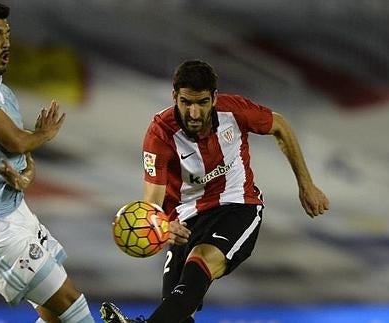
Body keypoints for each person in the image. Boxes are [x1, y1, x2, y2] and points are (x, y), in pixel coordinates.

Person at [100, 60, 330, 323]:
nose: (194, 113)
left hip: (238, 206)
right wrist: (162, 225)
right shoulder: (160, 134)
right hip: (186, 219)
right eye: (186, 102)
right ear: (174, 97)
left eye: (202, 102)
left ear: (214, 99)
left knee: (199, 265)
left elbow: (280, 126)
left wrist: (306, 184)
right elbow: (152, 202)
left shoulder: (236, 111)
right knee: (176, 309)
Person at [0, 2, 95, 322]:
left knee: (54, 314)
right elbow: (16, 140)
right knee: (71, 304)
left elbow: (21, 157)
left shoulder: (3, 93)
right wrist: (44, 134)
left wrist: (24, 177)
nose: (6, 42)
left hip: (15, 216)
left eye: (7, 34)